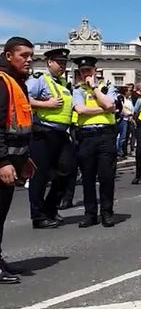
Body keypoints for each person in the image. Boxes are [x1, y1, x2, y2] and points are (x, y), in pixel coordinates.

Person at [26, 48, 76, 229]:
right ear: (49, 63)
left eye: (64, 63)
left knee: (68, 170)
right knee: (39, 175)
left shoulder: (64, 84)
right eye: (59, 63)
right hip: (43, 132)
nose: (62, 66)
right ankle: (38, 216)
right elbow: (24, 98)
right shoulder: (40, 80)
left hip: (61, 133)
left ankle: (50, 208)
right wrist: (46, 104)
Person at [0, 37, 35, 284]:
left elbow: (19, 125)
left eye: (31, 55)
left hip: (14, 159)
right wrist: (2, 161)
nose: (29, 60)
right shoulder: (2, 82)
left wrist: (24, 158)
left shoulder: (17, 82)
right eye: (23, 55)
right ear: (9, 56)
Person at [72, 56, 118, 228]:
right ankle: (90, 214)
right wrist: (103, 108)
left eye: (88, 71)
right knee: (88, 177)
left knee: (106, 176)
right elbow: (80, 109)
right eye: (82, 71)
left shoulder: (107, 87)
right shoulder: (78, 90)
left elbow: (111, 103)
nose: (85, 74)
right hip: (87, 136)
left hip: (106, 135)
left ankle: (107, 213)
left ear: (95, 71)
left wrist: (95, 89)